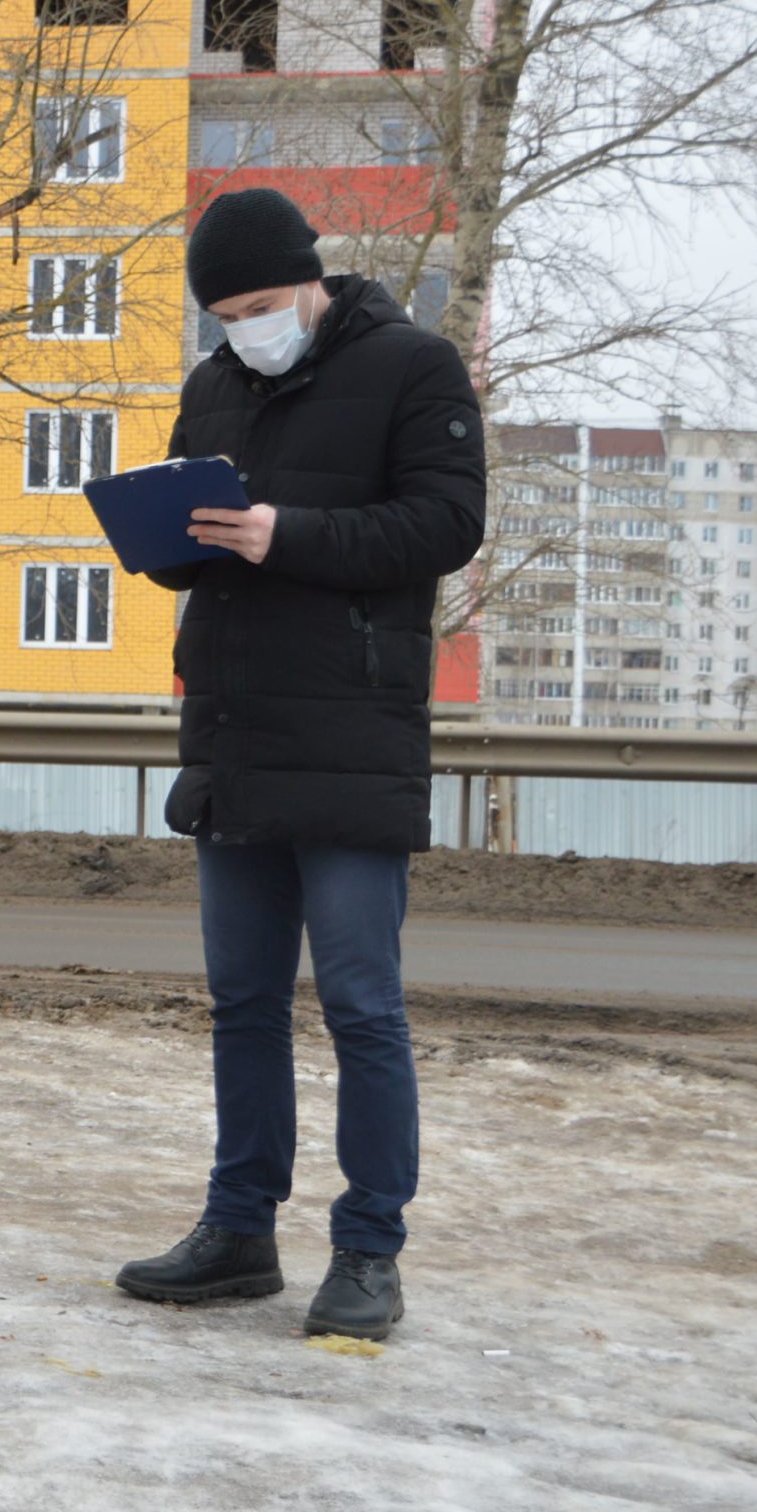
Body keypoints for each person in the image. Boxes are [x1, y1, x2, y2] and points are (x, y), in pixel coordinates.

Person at [114, 187, 486, 1342]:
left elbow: (445, 525)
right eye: (226, 317)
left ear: (310, 280)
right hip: (234, 730)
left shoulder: (415, 366)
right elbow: (197, 550)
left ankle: (369, 1247)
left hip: (353, 736)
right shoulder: (213, 384)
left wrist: (287, 533)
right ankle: (238, 1229)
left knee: (362, 1006)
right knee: (241, 1002)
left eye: (263, 306)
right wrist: (166, 538)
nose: (248, 331)